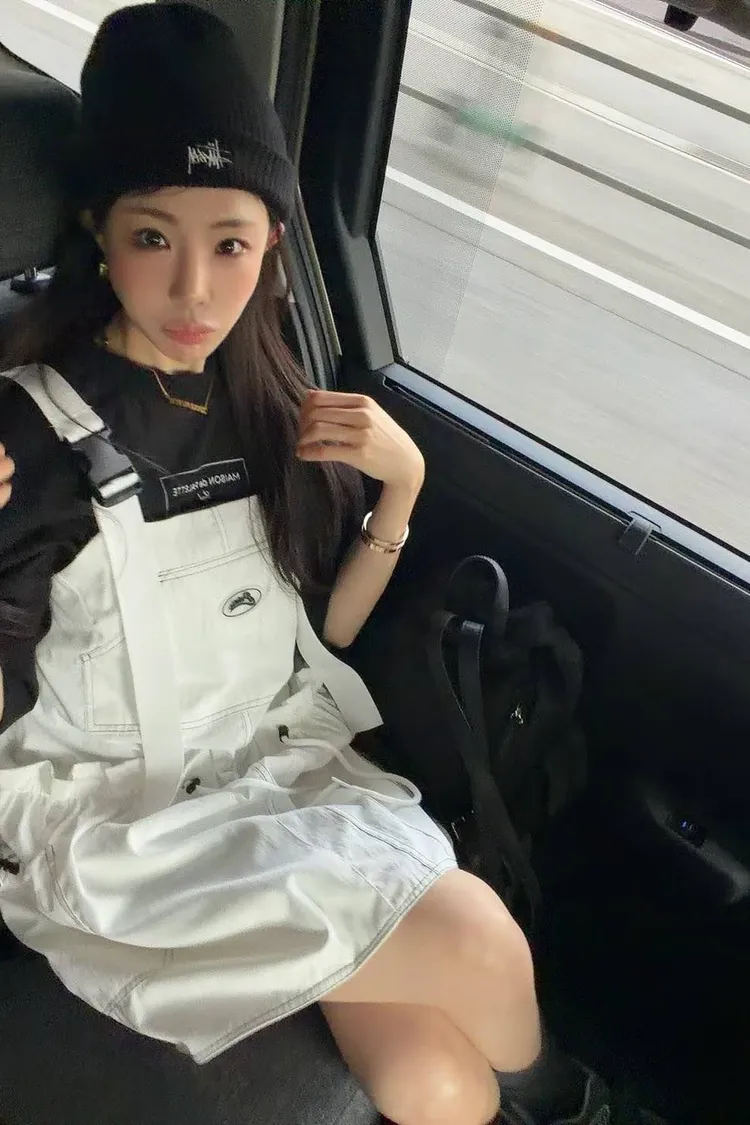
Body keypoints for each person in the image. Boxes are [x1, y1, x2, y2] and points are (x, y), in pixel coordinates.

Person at [0, 6, 665, 1125]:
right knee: (481, 940)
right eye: (153, 238)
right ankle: (580, 1108)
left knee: (434, 1085)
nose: (194, 293)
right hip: (123, 824)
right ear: (97, 232)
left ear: (270, 247)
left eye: (230, 245)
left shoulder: (269, 399)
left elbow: (324, 639)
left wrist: (401, 489)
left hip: (280, 770)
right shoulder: (27, 434)